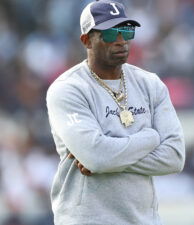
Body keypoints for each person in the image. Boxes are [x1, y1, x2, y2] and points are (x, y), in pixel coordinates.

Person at [46, 0, 185, 224]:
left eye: (126, 31)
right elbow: (98, 157)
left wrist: (107, 155)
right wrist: (150, 138)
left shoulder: (151, 84)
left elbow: (174, 158)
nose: (121, 41)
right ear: (86, 40)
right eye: (110, 34)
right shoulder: (68, 89)